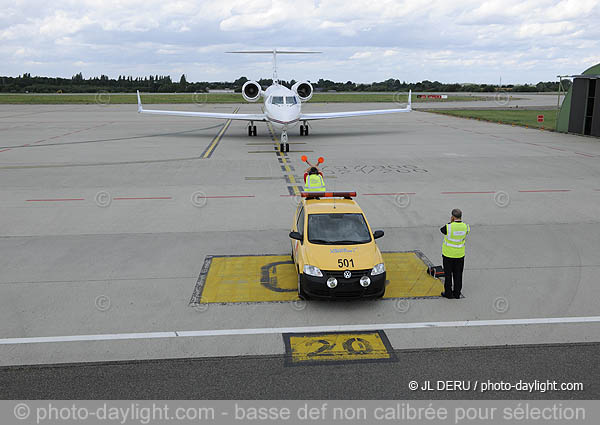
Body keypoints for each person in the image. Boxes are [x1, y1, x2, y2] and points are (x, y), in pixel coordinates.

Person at [440, 209, 470, 299]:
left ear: (452, 217)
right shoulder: (466, 227)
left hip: (448, 255)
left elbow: (442, 230)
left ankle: (448, 293)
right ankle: (457, 293)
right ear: (461, 216)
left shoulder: (448, 227)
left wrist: (451, 222)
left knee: (448, 275)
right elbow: (466, 232)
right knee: (458, 274)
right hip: (460, 255)